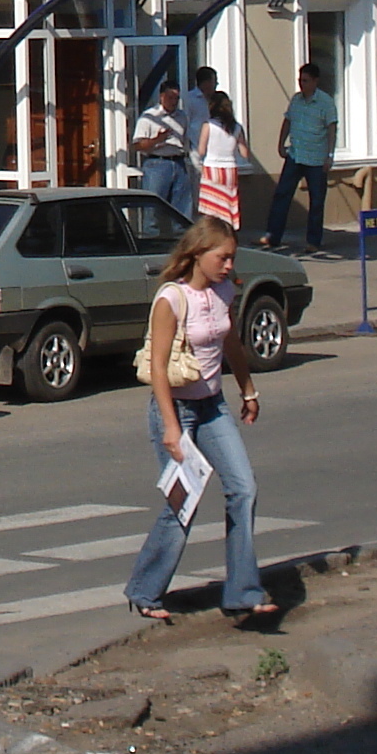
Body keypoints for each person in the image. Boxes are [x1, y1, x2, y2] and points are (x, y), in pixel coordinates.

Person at [125, 216, 271, 625]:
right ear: (197, 254)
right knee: (182, 502)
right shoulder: (171, 299)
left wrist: (248, 389)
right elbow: (157, 368)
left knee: (244, 488)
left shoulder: (223, 291)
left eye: (232, 258)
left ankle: (242, 592)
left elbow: (231, 342)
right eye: (222, 258)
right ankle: (145, 590)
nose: (228, 266)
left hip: (213, 406)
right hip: (177, 410)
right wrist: (172, 428)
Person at [264, 61, 340, 255]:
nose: (301, 84)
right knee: (282, 195)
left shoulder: (325, 102)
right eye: (300, 80)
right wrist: (281, 143)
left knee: (316, 201)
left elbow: (331, 129)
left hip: (316, 159)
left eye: (305, 80)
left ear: (315, 81)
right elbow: (287, 120)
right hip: (295, 155)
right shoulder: (296, 100)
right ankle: (273, 236)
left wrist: (330, 155)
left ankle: (313, 241)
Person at [131, 82, 196, 224]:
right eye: (170, 97)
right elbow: (137, 145)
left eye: (176, 98)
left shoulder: (182, 116)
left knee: (183, 207)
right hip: (157, 163)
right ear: (161, 97)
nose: (173, 102)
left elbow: (186, 140)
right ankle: (151, 237)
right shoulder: (149, 117)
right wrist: (158, 139)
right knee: (153, 207)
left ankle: (182, 238)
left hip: (178, 162)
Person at [194, 93, 252, 235]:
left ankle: (212, 234)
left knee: (211, 207)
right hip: (229, 169)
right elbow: (245, 153)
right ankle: (228, 232)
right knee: (228, 202)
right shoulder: (236, 127)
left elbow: (201, 150)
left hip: (212, 167)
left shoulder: (208, 126)